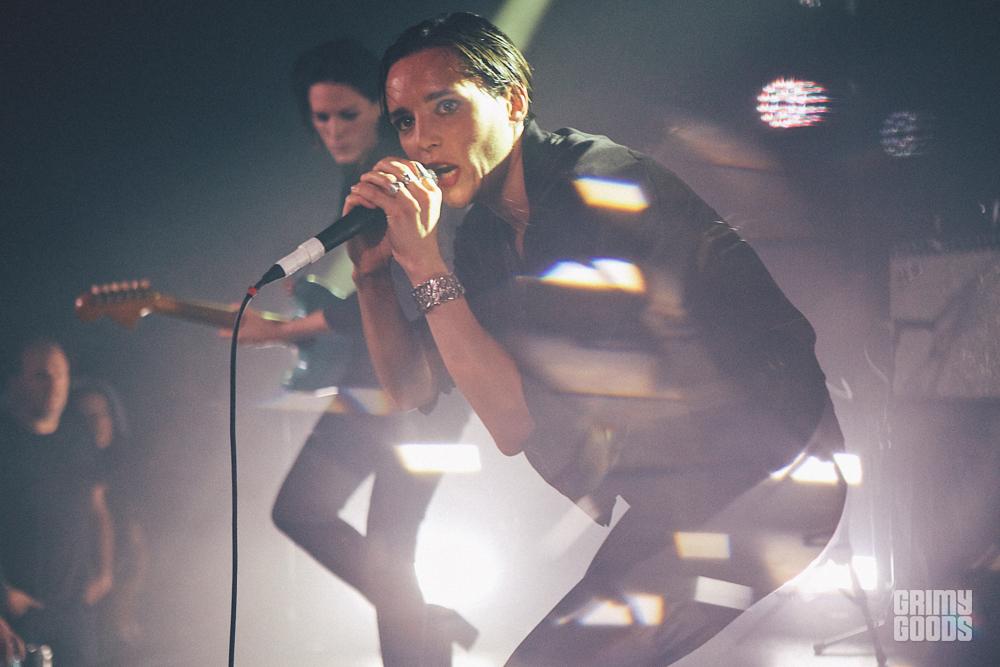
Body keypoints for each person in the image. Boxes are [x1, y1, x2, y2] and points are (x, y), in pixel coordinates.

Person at [344, 13, 847, 665]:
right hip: (681, 494)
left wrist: (424, 265)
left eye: (445, 106)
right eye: (405, 121)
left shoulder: (599, 189)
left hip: (773, 480)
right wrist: (372, 277)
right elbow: (411, 385)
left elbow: (512, 422)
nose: (422, 139)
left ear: (513, 102)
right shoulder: (486, 237)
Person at [231, 39, 474, 665]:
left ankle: (421, 630)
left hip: (427, 384)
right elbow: (371, 293)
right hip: (373, 381)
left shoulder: (400, 174)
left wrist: (282, 331)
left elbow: (406, 290)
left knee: (388, 544)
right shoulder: (360, 174)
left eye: (348, 114)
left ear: (380, 110)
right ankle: (424, 621)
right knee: (304, 512)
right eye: (322, 118)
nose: (334, 129)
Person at [0, 337, 115, 665]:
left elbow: (98, 508)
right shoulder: (5, 442)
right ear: (17, 382)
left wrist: (104, 572)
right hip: (17, 614)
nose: (54, 385)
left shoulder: (78, 439)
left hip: (74, 611)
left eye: (60, 375)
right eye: (42, 376)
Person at [73, 378, 150, 659]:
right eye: (86, 416)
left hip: (125, 584)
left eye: (102, 414)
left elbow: (135, 535)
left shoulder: (126, 467)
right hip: (83, 588)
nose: (96, 423)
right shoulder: (68, 473)